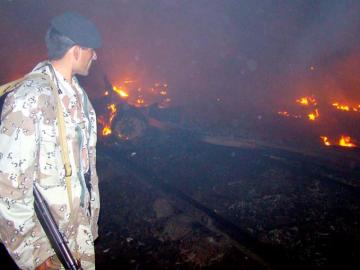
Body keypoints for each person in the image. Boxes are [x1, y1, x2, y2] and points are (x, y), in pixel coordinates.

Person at [0, 11, 101, 269]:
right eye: (91, 50)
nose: (96, 56)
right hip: (46, 245)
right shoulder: (29, 99)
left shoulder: (80, 99)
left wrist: (88, 227)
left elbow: (85, 175)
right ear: (76, 51)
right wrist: (32, 254)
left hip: (78, 237)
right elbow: (8, 187)